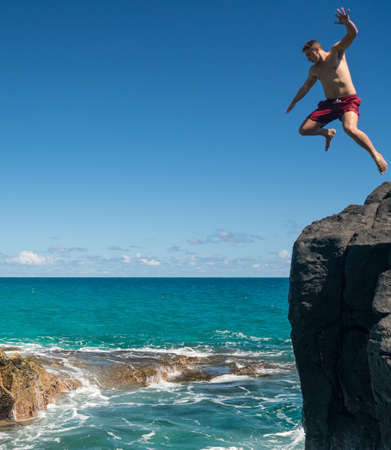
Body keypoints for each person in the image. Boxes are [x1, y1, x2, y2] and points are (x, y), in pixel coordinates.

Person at [286, 8, 388, 175]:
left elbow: (352, 35)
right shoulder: (314, 70)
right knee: (304, 130)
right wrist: (294, 102)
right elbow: (305, 87)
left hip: (348, 101)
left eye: (309, 55)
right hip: (329, 104)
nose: (308, 60)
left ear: (316, 49)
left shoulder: (336, 52)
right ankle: (328, 133)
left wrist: (348, 24)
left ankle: (375, 154)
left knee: (350, 129)